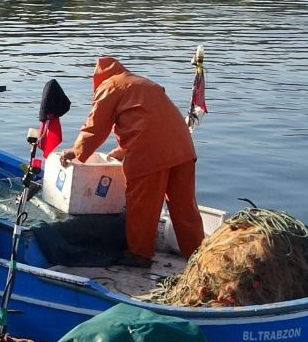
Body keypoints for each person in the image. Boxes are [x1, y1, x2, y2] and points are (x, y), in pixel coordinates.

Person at [58, 56, 202, 268]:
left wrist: (76, 152)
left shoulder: (110, 86)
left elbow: (94, 128)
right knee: (185, 209)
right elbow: (149, 122)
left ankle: (139, 254)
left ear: (98, 79)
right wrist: (122, 151)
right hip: (183, 149)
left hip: (150, 154)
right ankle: (201, 257)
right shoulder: (143, 84)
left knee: (142, 204)